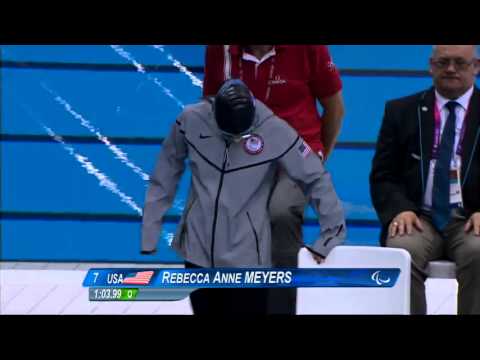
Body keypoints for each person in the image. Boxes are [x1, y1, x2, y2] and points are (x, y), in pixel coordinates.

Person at [141, 79, 346, 315]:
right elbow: (165, 174)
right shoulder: (190, 120)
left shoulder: (275, 130)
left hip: (248, 258)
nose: (236, 141)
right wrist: (150, 230)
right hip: (197, 251)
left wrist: (331, 235)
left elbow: (315, 178)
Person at [203, 45, 345, 314]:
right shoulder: (220, 50)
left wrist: (317, 158)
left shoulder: (309, 48)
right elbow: (212, 110)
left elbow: (335, 110)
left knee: (280, 213)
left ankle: (279, 308)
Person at [370, 45, 480, 315]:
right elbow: (383, 175)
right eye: (443, 62)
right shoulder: (400, 111)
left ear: (476, 67)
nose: (451, 69)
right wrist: (399, 209)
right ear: (431, 66)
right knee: (402, 251)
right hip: (420, 217)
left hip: (470, 219)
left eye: (460, 63)